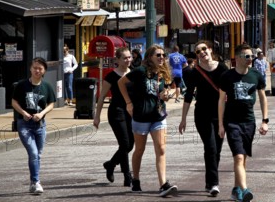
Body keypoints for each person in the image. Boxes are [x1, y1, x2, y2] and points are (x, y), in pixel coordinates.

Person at [117, 45, 177, 196]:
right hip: (141, 116)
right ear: (150, 57)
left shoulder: (163, 73)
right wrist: (128, 103)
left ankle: (163, 184)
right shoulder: (140, 71)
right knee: (139, 150)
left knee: (161, 148)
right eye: (158, 55)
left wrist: (166, 95)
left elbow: (161, 92)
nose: (161, 57)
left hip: (158, 116)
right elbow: (121, 83)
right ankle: (135, 179)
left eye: (163, 55)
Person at [218, 44, 268, 202]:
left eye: (252, 56)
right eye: (247, 56)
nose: (251, 59)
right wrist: (220, 124)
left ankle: (236, 189)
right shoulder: (227, 76)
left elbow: (262, 97)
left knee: (242, 158)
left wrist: (265, 120)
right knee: (239, 157)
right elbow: (221, 101)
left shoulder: (256, 75)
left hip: (249, 122)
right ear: (238, 58)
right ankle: (245, 190)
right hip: (232, 122)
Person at [179, 40, 229, 197]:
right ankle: (214, 183)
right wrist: (183, 119)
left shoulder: (222, 68)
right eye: (198, 51)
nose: (202, 52)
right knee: (211, 148)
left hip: (221, 115)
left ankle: (209, 181)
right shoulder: (194, 72)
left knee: (217, 150)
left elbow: (230, 90)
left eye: (204, 49)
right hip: (202, 115)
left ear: (210, 50)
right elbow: (188, 95)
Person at [11, 58, 56, 194]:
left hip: (40, 125)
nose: (37, 70)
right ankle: (36, 182)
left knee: (38, 155)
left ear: (44, 71)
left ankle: (32, 182)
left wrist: (41, 113)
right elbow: (14, 102)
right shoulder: (21, 85)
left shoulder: (47, 86)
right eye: (35, 67)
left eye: (40, 69)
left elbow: (51, 104)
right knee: (34, 153)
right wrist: (23, 112)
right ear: (30, 69)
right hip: (24, 124)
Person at [93, 47, 134, 187]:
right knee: (125, 144)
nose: (128, 60)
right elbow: (101, 97)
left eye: (129, 57)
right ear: (117, 60)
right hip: (116, 112)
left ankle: (110, 164)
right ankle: (127, 176)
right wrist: (97, 116)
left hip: (131, 112)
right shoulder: (111, 76)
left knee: (130, 145)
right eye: (125, 58)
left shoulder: (134, 73)